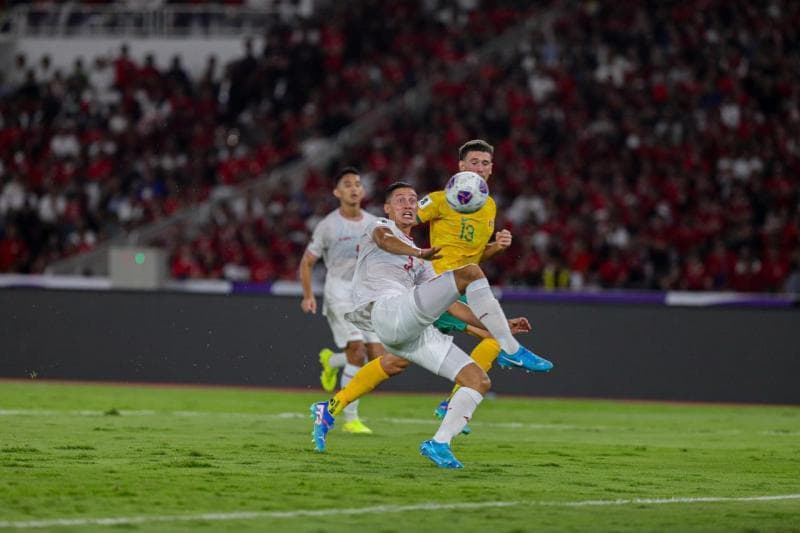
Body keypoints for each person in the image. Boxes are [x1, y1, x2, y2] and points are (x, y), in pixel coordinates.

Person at [311, 182, 547, 468]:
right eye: (400, 200)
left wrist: (500, 326)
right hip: (387, 312)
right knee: (470, 272)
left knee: (478, 381)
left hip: (407, 332)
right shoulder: (379, 227)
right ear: (387, 208)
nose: (408, 205)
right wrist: (420, 253)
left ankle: (439, 444)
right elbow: (387, 241)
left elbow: (450, 305)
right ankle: (511, 350)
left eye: (412, 200)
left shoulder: (422, 261)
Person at [299, 167, 383, 434]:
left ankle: (332, 362)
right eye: (347, 184)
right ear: (337, 192)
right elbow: (307, 262)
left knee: (378, 359)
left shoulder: (374, 223)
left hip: (365, 294)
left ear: (363, 191)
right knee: (357, 352)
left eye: (358, 183)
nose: (354, 188)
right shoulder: (328, 225)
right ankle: (350, 419)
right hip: (339, 292)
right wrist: (309, 295)